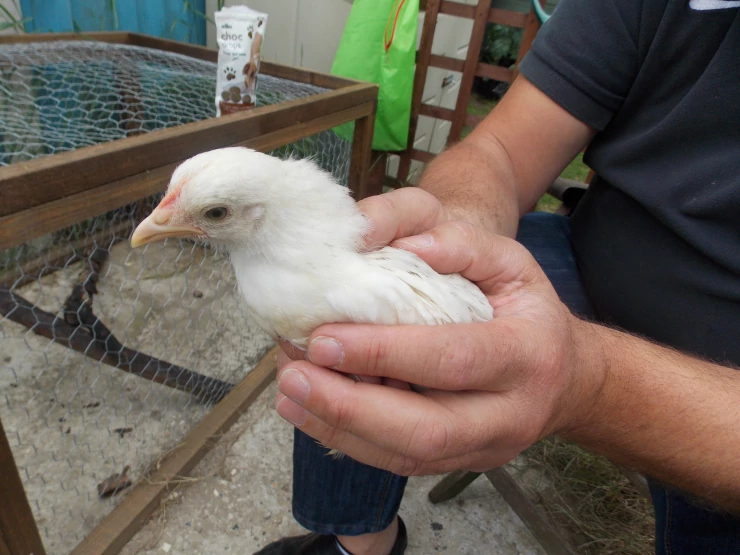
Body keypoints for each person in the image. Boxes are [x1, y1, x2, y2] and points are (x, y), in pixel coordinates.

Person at [257, 0, 740, 553]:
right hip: (590, 256)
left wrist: (588, 381)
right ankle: (359, 542)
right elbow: (502, 150)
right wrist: (452, 238)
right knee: (345, 311)